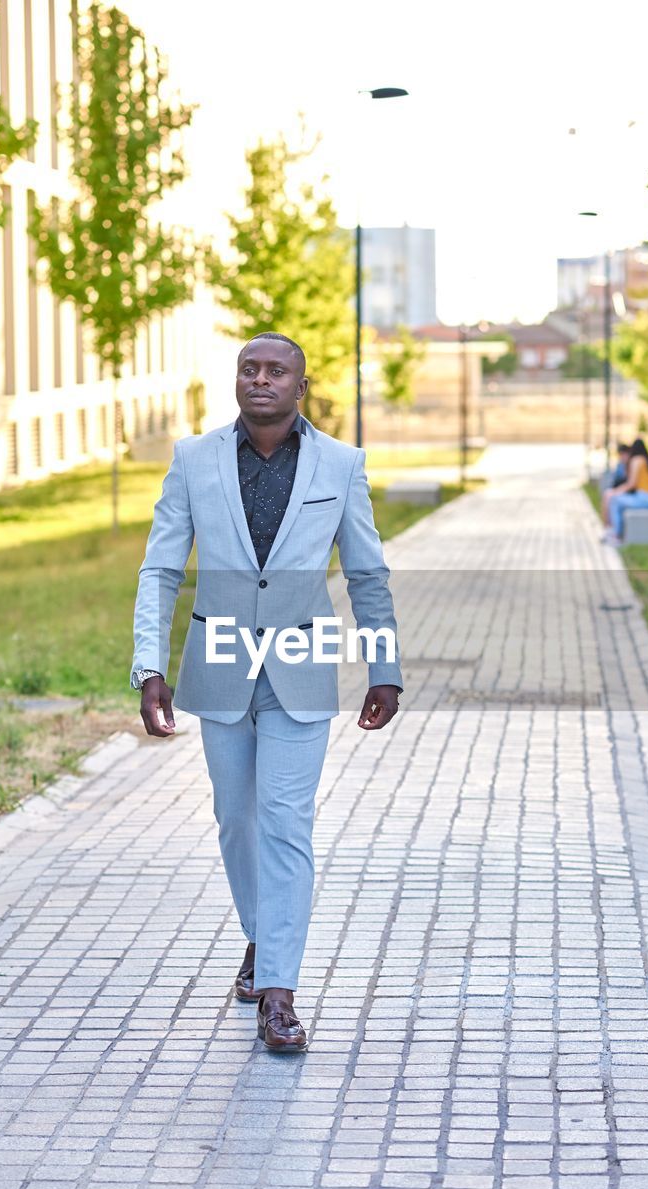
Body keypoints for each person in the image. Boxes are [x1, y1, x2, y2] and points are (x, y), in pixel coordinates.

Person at [130, 333, 403, 1053]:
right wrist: (147, 665)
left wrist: (385, 666)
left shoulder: (341, 465)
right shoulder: (194, 460)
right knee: (236, 820)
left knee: (285, 822)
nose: (260, 379)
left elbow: (368, 573)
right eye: (249, 368)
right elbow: (160, 569)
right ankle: (261, 937)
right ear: (237, 381)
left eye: (276, 370)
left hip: (301, 666)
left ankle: (278, 992)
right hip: (219, 666)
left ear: (299, 387)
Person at [602, 438, 648, 545]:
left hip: (644, 497)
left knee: (615, 501)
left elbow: (632, 483)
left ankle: (615, 534)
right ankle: (612, 531)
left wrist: (616, 492)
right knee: (618, 501)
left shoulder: (636, 460)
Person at [600, 443, 631, 526]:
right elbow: (616, 480)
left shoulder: (631, 465)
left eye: (623, 454)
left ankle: (611, 528)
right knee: (607, 495)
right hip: (620, 488)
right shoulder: (620, 465)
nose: (622, 457)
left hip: (627, 490)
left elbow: (630, 483)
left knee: (610, 496)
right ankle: (607, 526)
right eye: (620, 455)